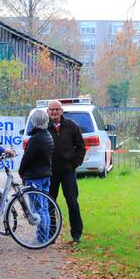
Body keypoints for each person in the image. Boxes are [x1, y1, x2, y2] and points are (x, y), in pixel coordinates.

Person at [46, 100, 87, 243]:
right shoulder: (44, 127)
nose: (54, 112)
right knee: (49, 203)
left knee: (72, 202)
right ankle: (51, 234)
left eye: (57, 109)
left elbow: (81, 147)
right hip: (50, 172)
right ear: (48, 111)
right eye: (51, 110)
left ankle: (76, 235)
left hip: (68, 171)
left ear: (62, 111)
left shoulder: (71, 126)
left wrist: (74, 164)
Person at [19, 108, 54, 244]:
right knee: (44, 208)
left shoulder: (36, 139)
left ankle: (41, 239)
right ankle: (45, 237)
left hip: (35, 177)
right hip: (45, 176)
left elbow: (27, 159)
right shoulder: (48, 136)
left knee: (37, 210)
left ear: (34, 122)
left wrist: (21, 172)